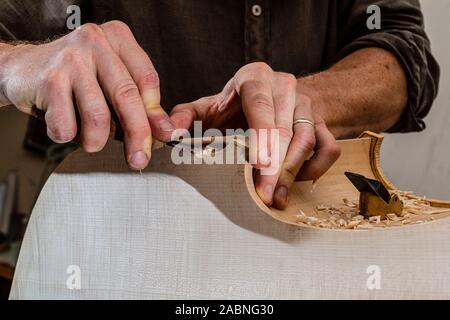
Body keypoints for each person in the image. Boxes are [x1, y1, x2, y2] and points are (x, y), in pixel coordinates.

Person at [0, 1, 439, 209]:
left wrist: (306, 101)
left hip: (303, 222)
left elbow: (402, 49)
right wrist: (18, 63)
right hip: (116, 235)